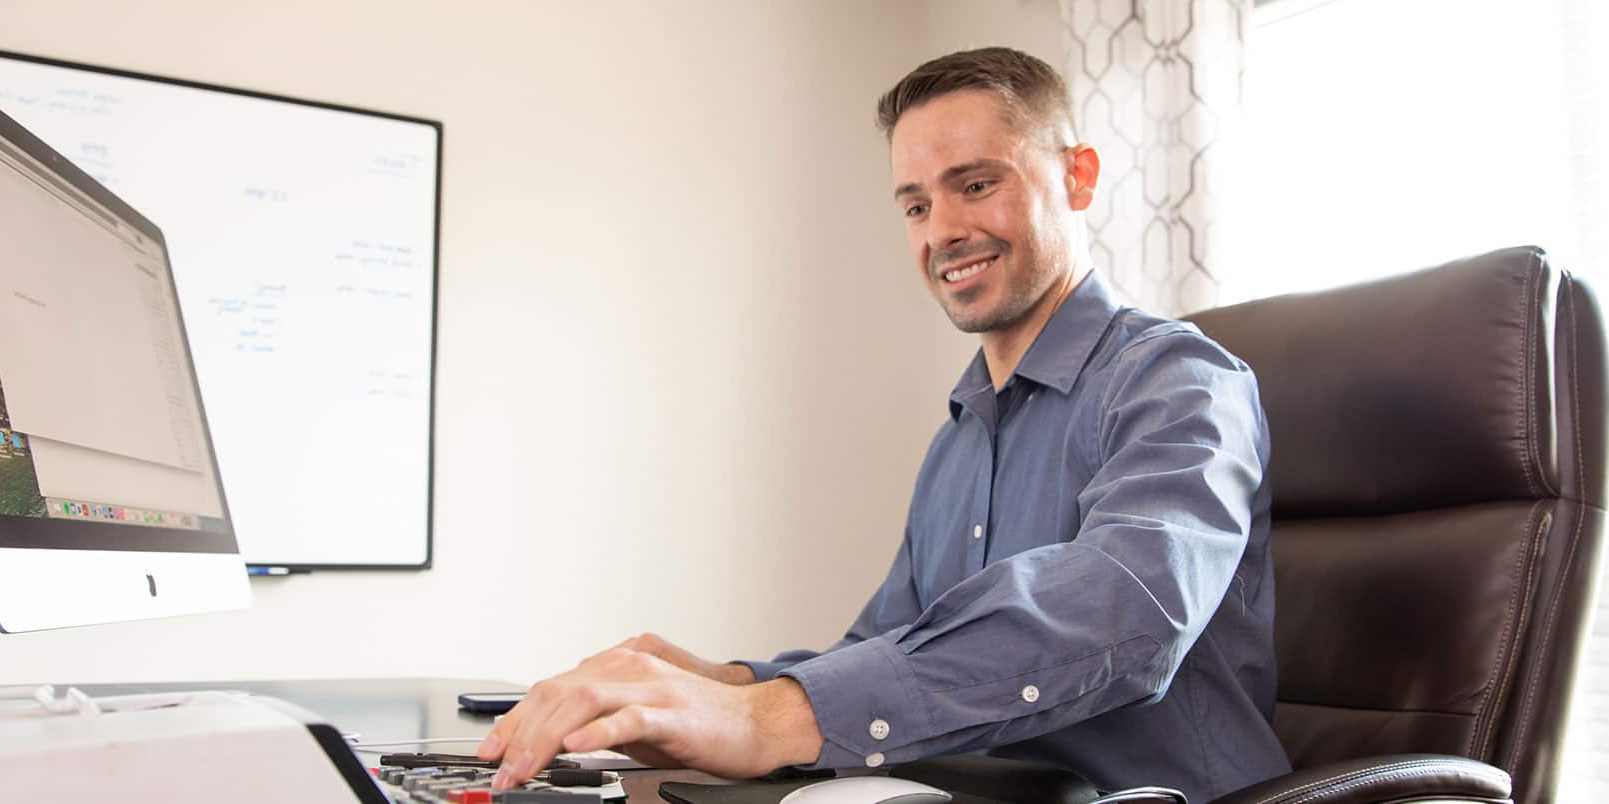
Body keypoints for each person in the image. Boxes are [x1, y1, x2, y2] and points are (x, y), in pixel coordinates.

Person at [478, 48, 1292, 801]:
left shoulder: (1179, 380)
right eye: (915, 203)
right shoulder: (960, 436)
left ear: (1078, 177)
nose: (941, 231)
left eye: (976, 185)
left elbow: (1129, 606)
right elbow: (891, 649)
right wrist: (714, 687)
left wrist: (765, 721)